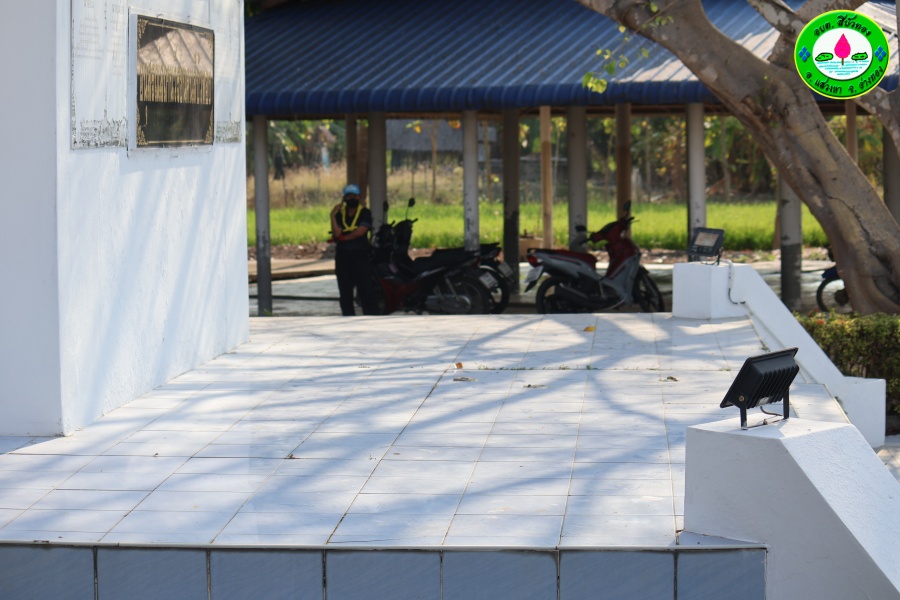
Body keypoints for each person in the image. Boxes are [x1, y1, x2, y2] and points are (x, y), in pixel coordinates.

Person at [330, 184, 379, 316]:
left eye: (354, 196)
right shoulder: (340, 215)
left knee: (366, 289)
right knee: (345, 290)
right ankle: (348, 317)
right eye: (348, 196)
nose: (351, 198)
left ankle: (371, 317)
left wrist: (344, 238)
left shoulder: (365, 213)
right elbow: (336, 233)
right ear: (344, 198)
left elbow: (360, 232)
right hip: (343, 256)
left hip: (360, 255)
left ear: (359, 197)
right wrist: (332, 215)